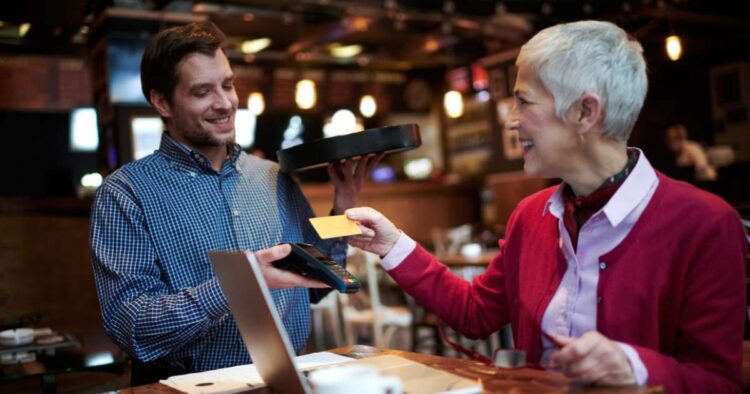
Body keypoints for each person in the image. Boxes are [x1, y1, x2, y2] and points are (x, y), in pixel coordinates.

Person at [346, 21, 747, 393]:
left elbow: (718, 381)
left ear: (584, 112)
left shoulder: (706, 224)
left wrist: (634, 365)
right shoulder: (529, 215)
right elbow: (474, 314)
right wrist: (391, 244)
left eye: (523, 101)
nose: (510, 121)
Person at [89, 21, 380, 383]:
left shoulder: (274, 175)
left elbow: (314, 283)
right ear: (162, 102)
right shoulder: (125, 193)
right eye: (202, 92)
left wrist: (343, 205)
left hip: (284, 381)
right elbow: (130, 325)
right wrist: (241, 283)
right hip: (185, 388)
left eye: (227, 84)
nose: (225, 103)